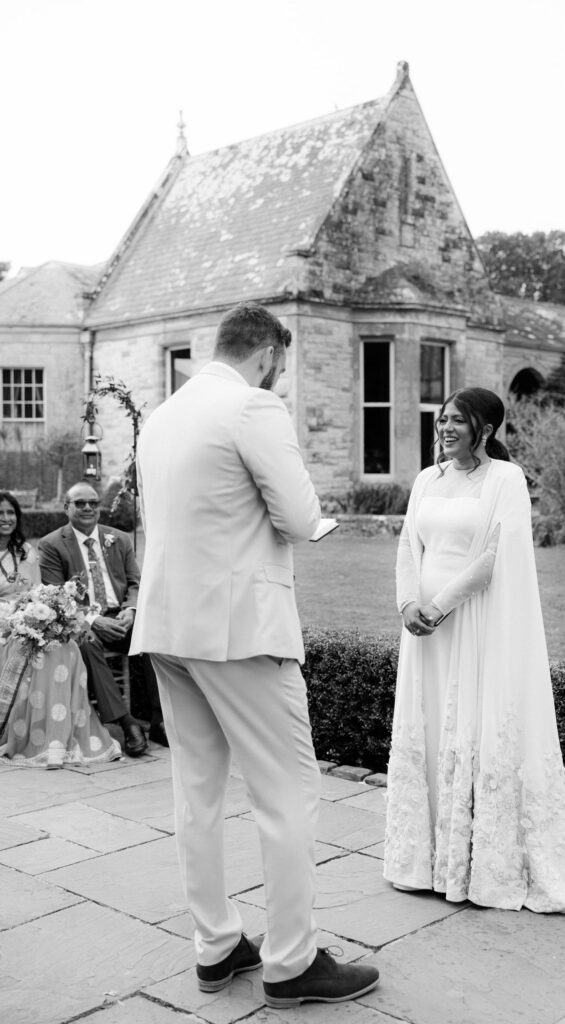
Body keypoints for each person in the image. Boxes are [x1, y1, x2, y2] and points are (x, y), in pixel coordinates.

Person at [130, 303, 379, 1007]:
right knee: (289, 791)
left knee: (196, 792)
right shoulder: (253, 406)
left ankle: (215, 946)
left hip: (168, 626)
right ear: (267, 353)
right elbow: (300, 519)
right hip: (239, 630)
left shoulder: (161, 417)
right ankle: (292, 962)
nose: (280, 376)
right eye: (281, 364)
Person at [384, 387, 565, 914]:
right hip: (421, 631)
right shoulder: (426, 480)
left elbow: (494, 558)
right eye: (443, 419)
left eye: (458, 421)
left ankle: (474, 860)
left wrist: (438, 607)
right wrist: (407, 603)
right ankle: (424, 859)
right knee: (429, 728)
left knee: (472, 727)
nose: (445, 428)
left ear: (486, 429)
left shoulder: (506, 479)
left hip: (471, 624)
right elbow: (408, 544)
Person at [38, 483, 165, 757]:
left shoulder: (119, 539)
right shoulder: (51, 544)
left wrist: (131, 610)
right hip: (82, 621)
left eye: (93, 503)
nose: (88, 508)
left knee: (152, 631)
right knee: (86, 642)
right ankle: (126, 722)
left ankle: (158, 718)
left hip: (121, 616)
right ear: (66, 508)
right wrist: (94, 620)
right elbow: (57, 596)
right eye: (80, 503)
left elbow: (135, 582)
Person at [0, 490, 121, 768]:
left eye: (10, 513)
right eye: (0, 513)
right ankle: (24, 732)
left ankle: (57, 734)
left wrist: (34, 615)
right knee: (25, 649)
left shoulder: (26, 552)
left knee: (65, 647)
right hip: (4, 624)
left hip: (28, 616)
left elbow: (37, 592)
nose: (6, 518)